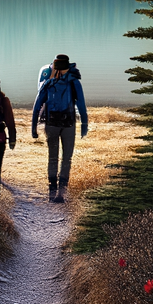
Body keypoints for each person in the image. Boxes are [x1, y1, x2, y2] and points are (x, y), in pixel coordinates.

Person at [31, 54, 88, 203]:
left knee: (53, 158)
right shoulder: (74, 82)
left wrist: (34, 128)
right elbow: (81, 105)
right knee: (66, 158)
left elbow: (37, 107)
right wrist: (84, 125)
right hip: (68, 124)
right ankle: (61, 194)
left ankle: (52, 193)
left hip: (51, 124)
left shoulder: (47, 83)